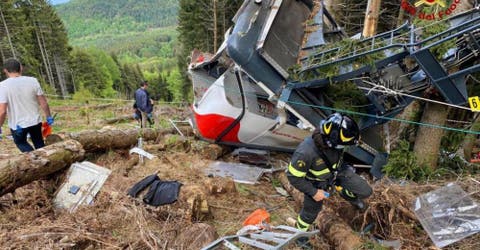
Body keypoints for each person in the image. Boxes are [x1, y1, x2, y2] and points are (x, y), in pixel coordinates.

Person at [287, 113, 372, 248]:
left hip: (337, 172)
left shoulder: (336, 138)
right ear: (331, 141)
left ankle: (345, 193)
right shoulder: (305, 153)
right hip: (316, 183)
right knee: (310, 214)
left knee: (365, 191)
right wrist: (314, 192)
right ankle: (299, 235)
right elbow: (293, 177)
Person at [0, 58, 54, 152]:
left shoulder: (3, 86)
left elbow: (3, 111)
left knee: (21, 143)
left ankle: (35, 159)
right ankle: (44, 160)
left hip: (18, 126)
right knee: (39, 143)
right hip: (35, 121)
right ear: (21, 68)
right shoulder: (33, 81)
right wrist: (49, 117)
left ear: (5, 70)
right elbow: (43, 103)